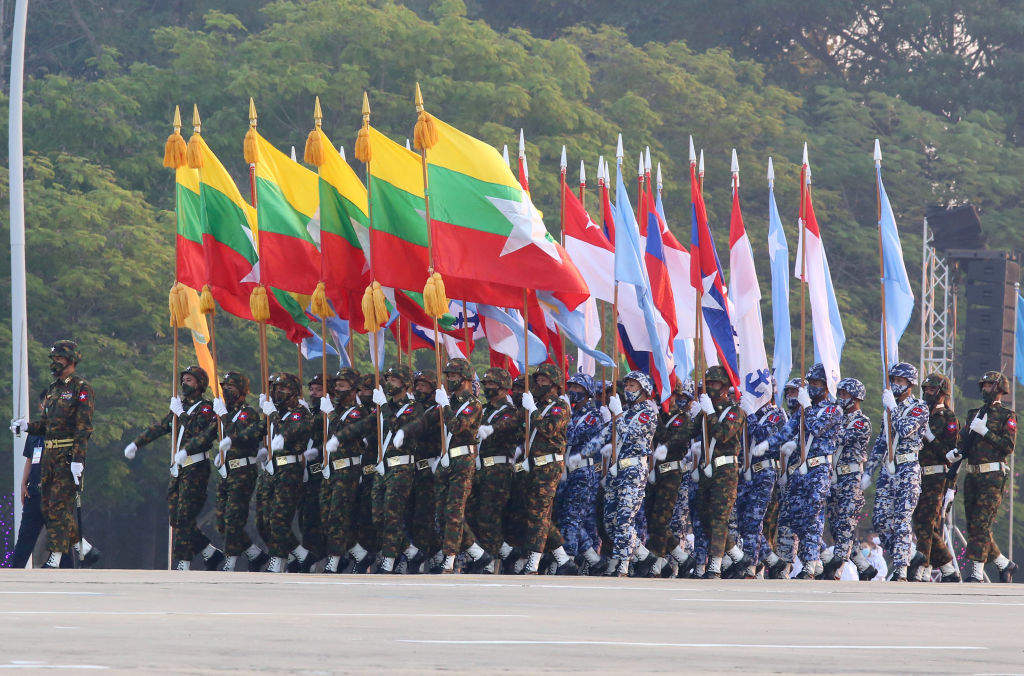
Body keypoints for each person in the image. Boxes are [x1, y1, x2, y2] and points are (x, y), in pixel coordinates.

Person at [125, 364, 221, 571]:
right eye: (183, 380)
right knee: (176, 517)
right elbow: (161, 427)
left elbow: (200, 432)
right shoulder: (180, 408)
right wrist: (137, 443)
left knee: (185, 516)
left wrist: (182, 414)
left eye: (189, 380)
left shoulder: (207, 408)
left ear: (200, 383)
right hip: (179, 469)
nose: (184, 384)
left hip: (196, 466)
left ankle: (183, 562)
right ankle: (209, 552)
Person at [765, 364, 842, 579]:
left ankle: (810, 565)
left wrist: (807, 408)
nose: (812, 388)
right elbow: (786, 432)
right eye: (811, 384)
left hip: (818, 469)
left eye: (816, 384)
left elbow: (817, 428)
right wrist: (766, 445)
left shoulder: (833, 409)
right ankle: (785, 566)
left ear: (826, 386)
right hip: (799, 470)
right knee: (788, 518)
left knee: (811, 517)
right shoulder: (801, 410)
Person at [10, 390, 98, 568]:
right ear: (41, 406)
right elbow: (29, 459)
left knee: (59, 534)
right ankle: (15, 572)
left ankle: (71, 565)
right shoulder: (35, 432)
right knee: (25, 538)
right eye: (46, 404)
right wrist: (23, 483)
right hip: (35, 491)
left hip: (55, 490)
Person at [948, 370, 1017, 583]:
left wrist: (985, 431)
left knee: (981, 523)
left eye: (989, 386)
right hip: (973, 475)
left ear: (999, 389)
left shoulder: (1008, 415)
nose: (985, 389)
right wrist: (957, 452)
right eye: (984, 386)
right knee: (975, 525)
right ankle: (1004, 564)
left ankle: (976, 572)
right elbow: (965, 443)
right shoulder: (973, 414)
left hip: (993, 475)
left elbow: (1008, 446)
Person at [862, 362, 929, 581]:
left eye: (900, 381)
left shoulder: (919, 407)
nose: (896, 385)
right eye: (894, 381)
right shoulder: (888, 409)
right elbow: (882, 442)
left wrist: (893, 409)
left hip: (908, 470)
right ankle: (909, 554)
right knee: (881, 520)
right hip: (888, 471)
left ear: (910, 384)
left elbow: (906, 430)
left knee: (901, 520)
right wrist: (868, 472)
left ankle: (901, 568)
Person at [688, 366, 746, 579]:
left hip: (726, 470)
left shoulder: (735, 412)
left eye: (715, 384)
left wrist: (710, 414)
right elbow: (688, 433)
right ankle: (738, 557)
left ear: (725, 387)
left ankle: (715, 565)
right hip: (706, 471)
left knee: (719, 518)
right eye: (708, 383)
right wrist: (692, 415)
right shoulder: (705, 412)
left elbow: (722, 435)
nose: (711, 387)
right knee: (704, 517)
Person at [520, 363, 576, 575]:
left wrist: (533, 411)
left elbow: (548, 429)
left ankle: (533, 561)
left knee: (539, 513)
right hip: (534, 465)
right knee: (537, 513)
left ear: (554, 384)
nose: (539, 384)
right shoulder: (535, 404)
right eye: (538, 380)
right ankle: (563, 560)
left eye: (544, 380)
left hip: (550, 466)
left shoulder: (559, 407)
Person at [433, 358, 486, 573]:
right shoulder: (452, 402)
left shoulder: (473, 404)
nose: (449, 380)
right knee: (442, 513)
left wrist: (444, 405)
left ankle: (450, 558)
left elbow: (456, 426)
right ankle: (478, 553)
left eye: (454, 376)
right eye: (448, 376)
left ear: (464, 379)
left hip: (463, 462)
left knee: (454, 511)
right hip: (446, 460)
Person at [260, 372, 317, 573]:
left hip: (290, 470)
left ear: (293, 391)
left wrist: (273, 415)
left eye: (283, 389)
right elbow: (256, 431)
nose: (277, 393)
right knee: (265, 519)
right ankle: (303, 555)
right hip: (271, 469)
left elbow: (291, 431)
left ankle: (278, 559)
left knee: (279, 518)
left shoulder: (301, 414)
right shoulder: (276, 413)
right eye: (275, 389)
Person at [465, 367, 521, 573]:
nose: (488, 388)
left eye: (492, 385)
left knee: (490, 515)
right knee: (473, 513)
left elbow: (510, 425)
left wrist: (493, 429)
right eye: (486, 384)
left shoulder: (510, 411)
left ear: (504, 387)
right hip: (481, 467)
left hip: (499, 468)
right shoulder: (485, 409)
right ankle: (505, 551)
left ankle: (489, 561)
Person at [212, 371, 268, 571]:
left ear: (242, 390)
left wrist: (224, 416)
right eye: (224, 386)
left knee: (234, 519)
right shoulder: (224, 412)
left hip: (243, 470)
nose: (226, 389)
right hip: (227, 470)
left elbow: (237, 435)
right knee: (221, 521)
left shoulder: (248, 413)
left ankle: (230, 561)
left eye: (231, 386)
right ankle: (255, 554)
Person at [320, 368, 374, 573]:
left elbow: (343, 433)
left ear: (353, 389)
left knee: (338, 516)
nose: (336, 389)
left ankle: (334, 560)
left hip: (348, 470)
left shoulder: (358, 412)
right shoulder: (337, 410)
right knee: (326, 517)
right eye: (336, 385)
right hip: (332, 470)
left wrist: (330, 413)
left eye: (341, 386)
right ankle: (360, 554)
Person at [374, 365, 427, 574]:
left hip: (402, 467)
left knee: (392, 515)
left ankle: (388, 561)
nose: (389, 384)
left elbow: (399, 426)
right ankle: (410, 551)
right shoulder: (384, 405)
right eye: (387, 379)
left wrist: (384, 408)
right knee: (378, 516)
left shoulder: (414, 408)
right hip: (383, 467)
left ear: (405, 384)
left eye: (394, 380)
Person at [908, 373, 960, 582]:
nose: (927, 393)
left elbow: (951, 453)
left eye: (932, 389)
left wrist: (930, 436)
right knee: (918, 522)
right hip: (918, 476)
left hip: (937, 476)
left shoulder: (948, 418)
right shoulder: (920, 415)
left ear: (941, 392)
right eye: (926, 389)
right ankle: (948, 568)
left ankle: (923, 567)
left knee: (927, 522)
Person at [820, 378, 872, 580]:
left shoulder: (861, 422)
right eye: (839, 394)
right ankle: (864, 566)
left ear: (856, 398)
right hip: (834, 477)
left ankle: (836, 568)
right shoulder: (837, 418)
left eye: (844, 395)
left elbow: (837, 438)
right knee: (836, 525)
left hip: (850, 478)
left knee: (845, 523)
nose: (840, 398)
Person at [558, 372, 608, 574]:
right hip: (567, 471)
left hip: (584, 472)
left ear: (587, 392)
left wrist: (565, 415)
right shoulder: (574, 413)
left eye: (578, 388)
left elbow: (572, 436)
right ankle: (593, 559)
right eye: (571, 387)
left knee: (572, 517)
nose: (573, 392)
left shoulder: (593, 416)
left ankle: (568, 559)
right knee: (566, 516)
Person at [647, 380, 696, 578]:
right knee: (652, 521)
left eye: (681, 397)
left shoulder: (682, 419)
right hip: (653, 473)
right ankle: (682, 558)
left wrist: (656, 419)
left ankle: (656, 564)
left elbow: (670, 438)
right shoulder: (661, 416)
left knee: (661, 521)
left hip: (671, 474)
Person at [737, 381, 786, 579]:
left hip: (764, 473)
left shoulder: (777, 415)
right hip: (746, 471)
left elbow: (762, 435)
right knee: (742, 521)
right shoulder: (749, 413)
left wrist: (750, 414)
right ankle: (773, 561)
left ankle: (750, 565)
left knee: (753, 520)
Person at [297, 374, 328, 568]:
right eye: (312, 389)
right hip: (305, 475)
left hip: (321, 475)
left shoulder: (327, 414)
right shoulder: (311, 412)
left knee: (316, 519)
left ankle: (318, 558)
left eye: (319, 389)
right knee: (304, 519)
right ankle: (310, 557)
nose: (314, 393)